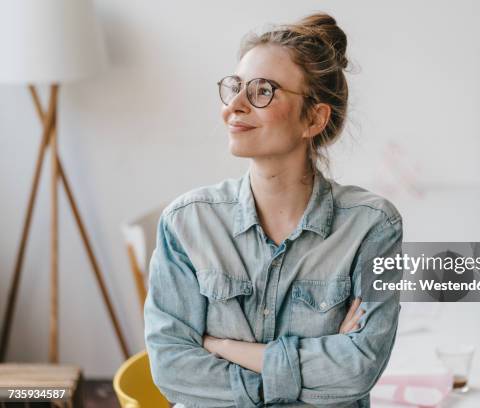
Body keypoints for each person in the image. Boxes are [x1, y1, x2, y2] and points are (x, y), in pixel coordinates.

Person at [144, 12, 403, 407]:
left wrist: (220, 346)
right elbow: (172, 370)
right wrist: (315, 367)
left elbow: (358, 371)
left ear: (314, 118)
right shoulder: (187, 222)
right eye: (235, 87)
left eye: (262, 91)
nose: (235, 105)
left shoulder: (372, 226)